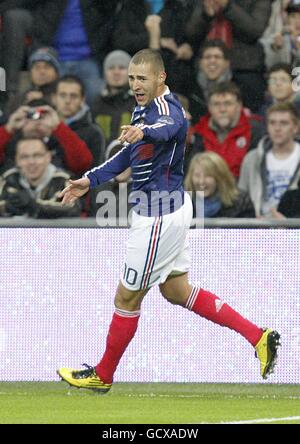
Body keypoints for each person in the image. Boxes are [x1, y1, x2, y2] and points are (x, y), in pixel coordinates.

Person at [57, 49, 280, 393]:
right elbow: (126, 156)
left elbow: (170, 127)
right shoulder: (142, 110)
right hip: (168, 210)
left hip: (158, 215)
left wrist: (144, 133)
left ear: (160, 77)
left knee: (126, 298)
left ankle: (103, 374)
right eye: (132, 78)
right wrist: (89, 180)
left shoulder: (167, 111)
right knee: (176, 291)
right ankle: (258, 336)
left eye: (142, 78)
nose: (135, 85)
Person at [185, 82, 265, 178]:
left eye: (228, 104)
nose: (222, 109)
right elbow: (193, 170)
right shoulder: (200, 132)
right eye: (216, 104)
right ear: (209, 108)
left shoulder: (255, 130)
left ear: (239, 106)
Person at [239, 101, 300, 219]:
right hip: (258, 230)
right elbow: (241, 201)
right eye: (272, 123)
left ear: (295, 127)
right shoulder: (252, 159)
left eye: (284, 123)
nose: (277, 128)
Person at [0, 137, 81, 218]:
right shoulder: (8, 178)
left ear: (48, 157)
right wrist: (6, 207)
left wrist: (34, 206)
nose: (31, 162)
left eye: (37, 155)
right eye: (24, 157)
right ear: (16, 160)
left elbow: (74, 210)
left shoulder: (64, 180)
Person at [184, 151, 255, 218]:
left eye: (208, 175)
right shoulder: (182, 205)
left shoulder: (242, 203)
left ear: (220, 178)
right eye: (197, 175)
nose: (201, 181)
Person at [91, 50, 135, 146]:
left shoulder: (139, 103)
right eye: (111, 68)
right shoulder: (96, 104)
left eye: (121, 68)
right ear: (104, 73)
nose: (116, 72)